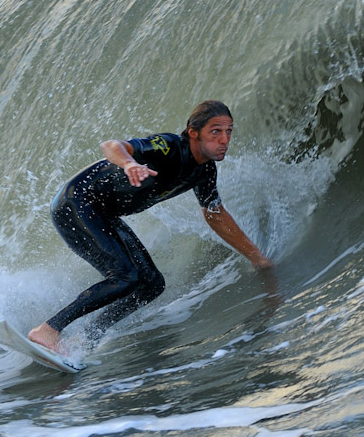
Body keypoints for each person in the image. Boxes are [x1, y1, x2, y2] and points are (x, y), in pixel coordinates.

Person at [29, 100, 273, 352]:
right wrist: (130, 164)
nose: (224, 139)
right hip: (76, 203)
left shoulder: (204, 171)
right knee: (125, 276)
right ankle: (48, 330)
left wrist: (257, 258)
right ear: (193, 132)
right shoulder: (168, 147)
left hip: (103, 214)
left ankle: (85, 338)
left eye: (228, 131)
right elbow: (111, 146)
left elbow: (215, 215)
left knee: (151, 283)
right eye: (215, 131)